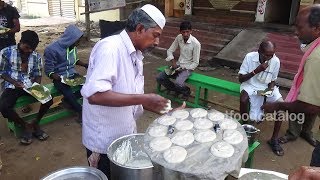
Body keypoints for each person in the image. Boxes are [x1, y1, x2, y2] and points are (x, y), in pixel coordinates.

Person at [80, 4, 173, 178]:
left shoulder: (135, 55)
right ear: (139, 29)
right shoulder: (110, 49)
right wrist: (144, 98)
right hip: (104, 144)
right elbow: (95, 95)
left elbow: (129, 95)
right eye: (155, 35)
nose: (157, 42)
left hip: (124, 136)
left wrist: (168, 111)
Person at [262, 5, 320, 165]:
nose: (295, 32)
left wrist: (278, 106)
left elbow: (311, 106)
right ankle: (293, 132)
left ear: (317, 28)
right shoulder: (313, 47)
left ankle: (300, 133)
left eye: (300, 27)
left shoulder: (316, 57)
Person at [0, 30, 53, 145]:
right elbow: (2, 72)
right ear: (21, 42)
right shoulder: (6, 52)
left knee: (48, 100)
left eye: (32, 49)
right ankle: (25, 126)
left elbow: (38, 74)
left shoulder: (35, 56)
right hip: (12, 85)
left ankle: (35, 123)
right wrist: (14, 82)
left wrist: (37, 87)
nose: (29, 51)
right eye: (27, 47)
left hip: (29, 85)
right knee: (4, 107)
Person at [238, 40, 284, 156]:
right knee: (243, 99)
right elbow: (241, 79)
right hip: (250, 85)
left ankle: (274, 139)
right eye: (266, 55)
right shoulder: (249, 57)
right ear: (259, 52)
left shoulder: (276, 61)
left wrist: (268, 92)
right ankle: (245, 127)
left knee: (281, 106)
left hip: (265, 88)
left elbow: (273, 81)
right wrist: (256, 70)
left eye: (271, 54)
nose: (269, 57)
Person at [44, 24, 87, 124]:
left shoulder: (73, 47)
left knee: (88, 85)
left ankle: (67, 101)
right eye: (77, 41)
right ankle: (80, 111)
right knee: (67, 91)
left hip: (72, 75)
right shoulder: (51, 49)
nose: (78, 43)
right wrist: (60, 78)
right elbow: (48, 71)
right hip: (59, 78)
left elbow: (75, 60)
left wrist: (85, 64)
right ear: (70, 38)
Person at [156, 21, 201, 100]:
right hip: (177, 65)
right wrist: (173, 62)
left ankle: (186, 91)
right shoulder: (179, 37)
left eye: (187, 32)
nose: (185, 34)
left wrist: (185, 68)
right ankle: (176, 90)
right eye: (183, 32)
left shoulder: (196, 43)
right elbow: (169, 51)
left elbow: (195, 62)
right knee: (160, 77)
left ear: (191, 31)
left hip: (188, 68)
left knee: (178, 83)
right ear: (180, 32)